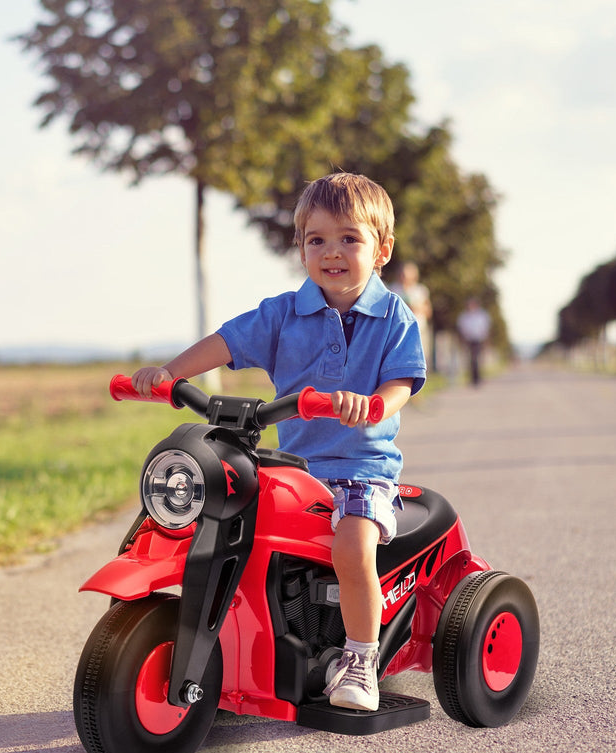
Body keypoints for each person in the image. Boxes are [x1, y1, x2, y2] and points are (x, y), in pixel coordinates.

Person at [132, 172, 426, 712]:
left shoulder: (395, 319)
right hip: (294, 467)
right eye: (317, 240)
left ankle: (360, 658)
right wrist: (170, 373)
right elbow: (226, 342)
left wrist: (377, 404)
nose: (331, 252)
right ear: (300, 249)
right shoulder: (284, 313)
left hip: (360, 468)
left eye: (349, 239)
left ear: (381, 249)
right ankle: (216, 640)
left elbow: (403, 380)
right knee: (216, 515)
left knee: (353, 542)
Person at [389, 261, 432, 366]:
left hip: (419, 329)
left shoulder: (420, 290)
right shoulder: (393, 289)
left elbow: (428, 311)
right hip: (399, 329)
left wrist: (416, 308)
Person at [457, 297, 491, 385]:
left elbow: (485, 328)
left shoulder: (482, 315)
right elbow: (461, 328)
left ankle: (477, 378)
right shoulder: (464, 316)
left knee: (476, 359)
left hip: (479, 339)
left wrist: (486, 340)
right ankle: (473, 378)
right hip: (469, 340)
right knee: (471, 359)